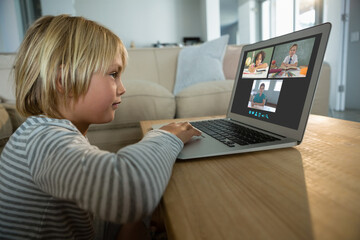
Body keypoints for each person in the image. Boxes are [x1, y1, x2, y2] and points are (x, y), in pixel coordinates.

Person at [0, 15, 201, 240]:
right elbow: (129, 192)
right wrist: (165, 136)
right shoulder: (43, 139)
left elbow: (90, 220)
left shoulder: (51, 133)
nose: (122, 88)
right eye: (113, 74)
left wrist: (140, 221)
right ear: (64, 80)